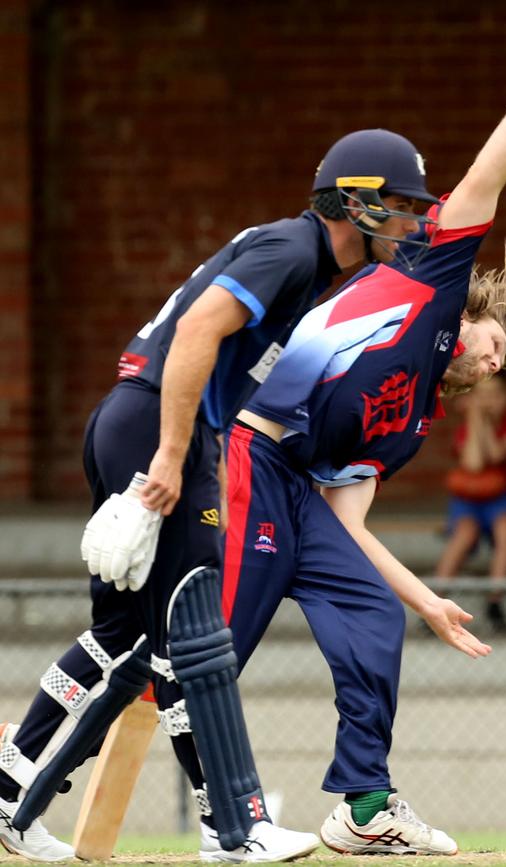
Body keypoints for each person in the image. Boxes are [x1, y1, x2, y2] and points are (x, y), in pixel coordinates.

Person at [0, 129, 438, 863]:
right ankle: (235, 827)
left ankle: (9, 790)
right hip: (155, 423)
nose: (410, 221)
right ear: (354, 202)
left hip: (146, 419)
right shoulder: (294, 250)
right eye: (398, 205)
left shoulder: (300, 258)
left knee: (126, 637)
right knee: (191, 633)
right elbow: (199, 329)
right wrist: (175, 453)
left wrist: (198, 456)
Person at [222, 21, 506, 856]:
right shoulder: (431, 274)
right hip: (249, 453)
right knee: (211, 654)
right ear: (469, 316)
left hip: (298, 494)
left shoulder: (410, 422)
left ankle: (363, 807)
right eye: (493, 347)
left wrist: (425, 603)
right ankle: (30, 764)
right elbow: (490, 174)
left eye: (498, 369)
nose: (489, 367)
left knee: (370, 617)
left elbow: (349, 527)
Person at [436, 370, 506, 632]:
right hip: (469, 499)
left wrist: (481, 419)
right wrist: (476, 417)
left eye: (495, 395)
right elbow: (474, 463)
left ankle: (495, 601)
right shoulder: (466, 427)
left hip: (505, 499)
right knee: (464, 533)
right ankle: (435, 602)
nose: (489, 401)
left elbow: (496, 454)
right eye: (482, 395)